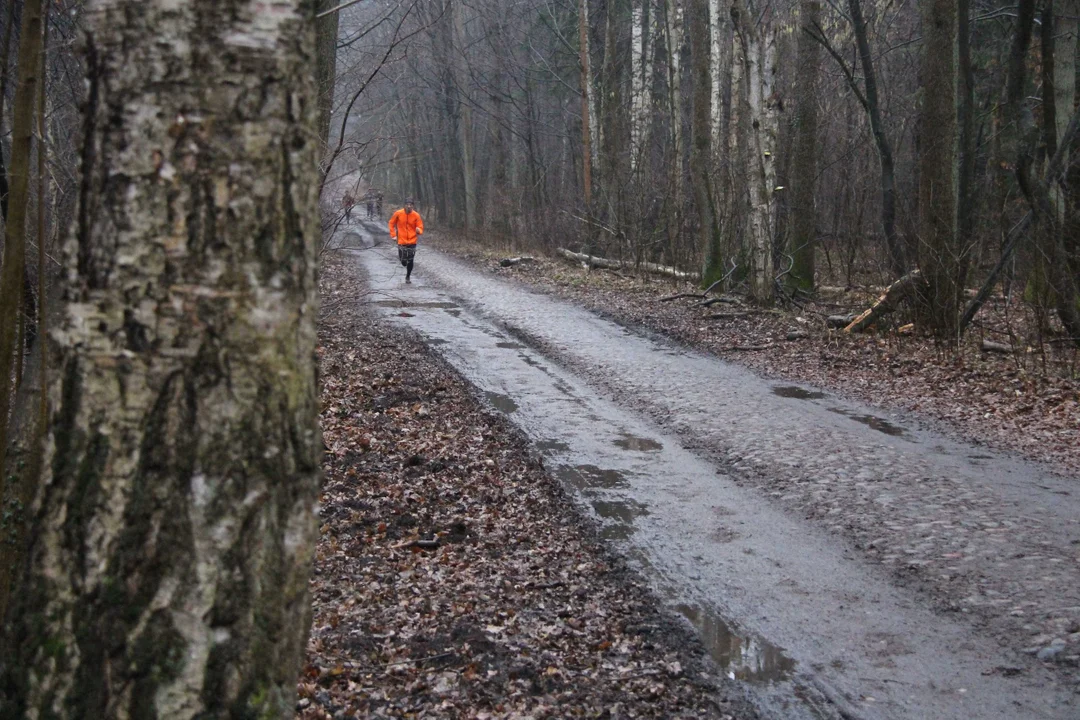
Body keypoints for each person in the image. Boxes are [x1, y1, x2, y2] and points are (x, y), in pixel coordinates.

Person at [389, 198, 424, 284]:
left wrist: (418, 230)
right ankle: (404, 263)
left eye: (411, 205)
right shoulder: (398, 213)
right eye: (407, 204)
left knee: (411, 259)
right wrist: (393, 235)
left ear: (413, 206)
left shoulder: (416, 215)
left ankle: (408, 276)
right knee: (403, 261)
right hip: (401, 240)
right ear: (404, 205)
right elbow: (391, 223)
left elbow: (420, 226)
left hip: (412, 241)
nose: (409, 206)